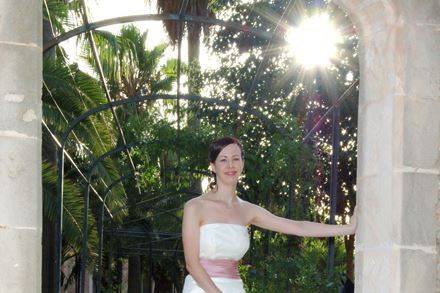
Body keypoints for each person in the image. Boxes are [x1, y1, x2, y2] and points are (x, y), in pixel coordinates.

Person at [182, 136, 357, 293]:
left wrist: (348, 228)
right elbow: (192, 264)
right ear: (212, 165)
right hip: (200, 288)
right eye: (223, 160)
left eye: (236, 158)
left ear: (242, 163)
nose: (230, 165)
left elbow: (298, 226)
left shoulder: (248, 210)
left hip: (234, 287)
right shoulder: (195, 207)